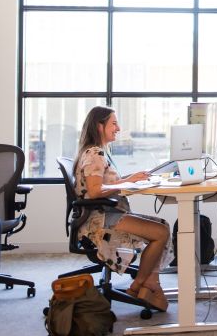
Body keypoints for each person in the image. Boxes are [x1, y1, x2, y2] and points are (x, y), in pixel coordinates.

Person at [73, 106, 174, 311]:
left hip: (107, 213)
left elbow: (107, 183)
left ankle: (151, 282)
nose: (118, 128)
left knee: (162, 225)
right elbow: (95, 191)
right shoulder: (95, 154)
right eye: (114, 123)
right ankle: (139, 285)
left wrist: (132, 178)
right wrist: (127, 183)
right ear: (99, 126)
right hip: (100, 220)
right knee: (161, 233)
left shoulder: (98, 152)